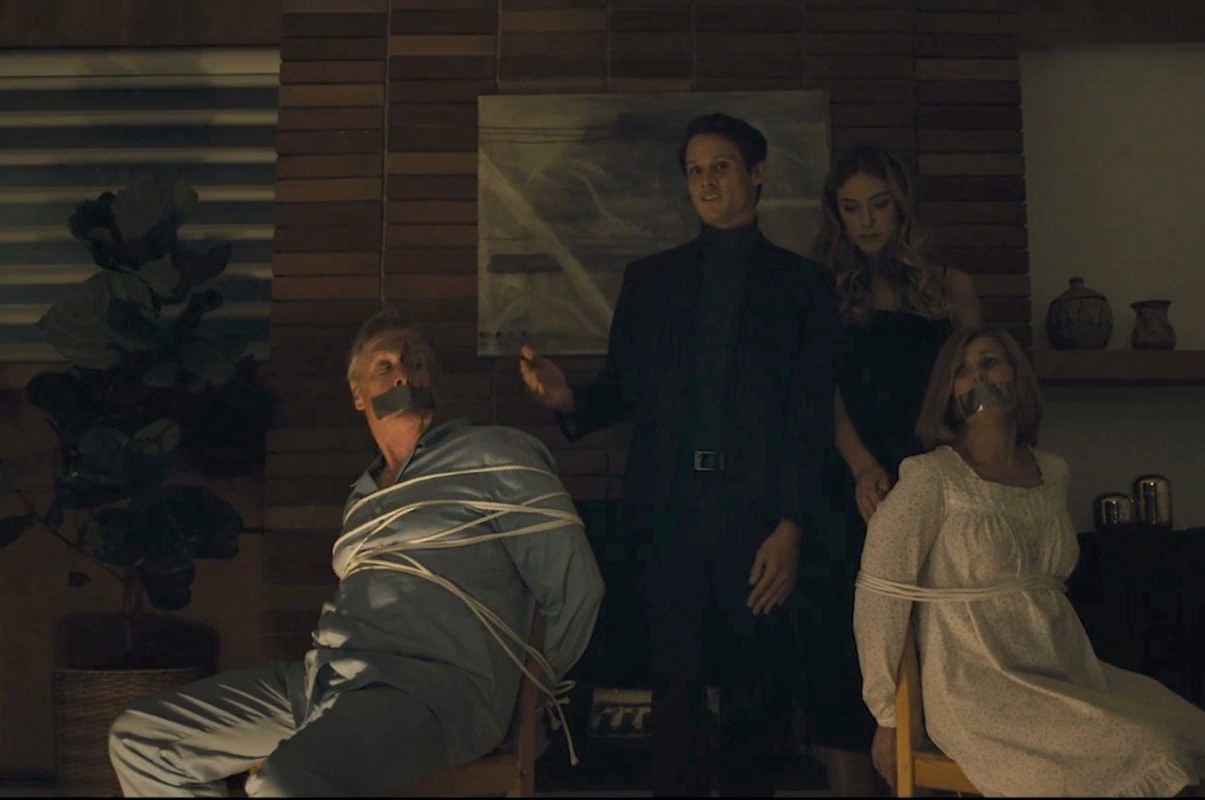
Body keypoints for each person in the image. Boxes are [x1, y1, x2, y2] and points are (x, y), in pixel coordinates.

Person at [108, 309, 606, 797]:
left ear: (432, 382)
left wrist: (528, 704)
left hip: (432, 693)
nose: (403, 374)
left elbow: (577, 590)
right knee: (143, 742)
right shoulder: (363, 496)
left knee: (281, 782)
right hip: (326, 680)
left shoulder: (495, 452)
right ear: (357, 393)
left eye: (416, 363)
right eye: (384, 366)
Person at [518, 112, 841, 796]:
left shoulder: (804, 285)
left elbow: (810, 415)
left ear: (757, 173)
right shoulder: (652, 281)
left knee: (757, 702)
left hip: (758, 520)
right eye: (695, 170)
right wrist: (568, 401)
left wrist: (791, 527)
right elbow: (622, 389)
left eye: (720, 166)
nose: (706, 181)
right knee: (673, 699)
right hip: (668, 515)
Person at [853, 325, 1205, 797]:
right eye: (962, 371)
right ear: (948, 393)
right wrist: (887, 716)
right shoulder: (929, 477)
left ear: (1016, 376)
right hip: (980, 687)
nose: (977, 377)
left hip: (1068, 670)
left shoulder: (1053, 471)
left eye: (989, 363)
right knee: (1149, 750)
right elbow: (879, 593)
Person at [800, 144, 983, 796]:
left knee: (934, 642)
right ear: (837, 215)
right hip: (851, 484)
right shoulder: (825, 290)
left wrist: (957, 478)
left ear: (903, 207)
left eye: (879, 205)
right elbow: (822, 395)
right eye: (852, 209)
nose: (867, 221)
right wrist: (863, 469)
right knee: (843, 650)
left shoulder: (951, 288)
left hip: (938, 479)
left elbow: (974, 391)